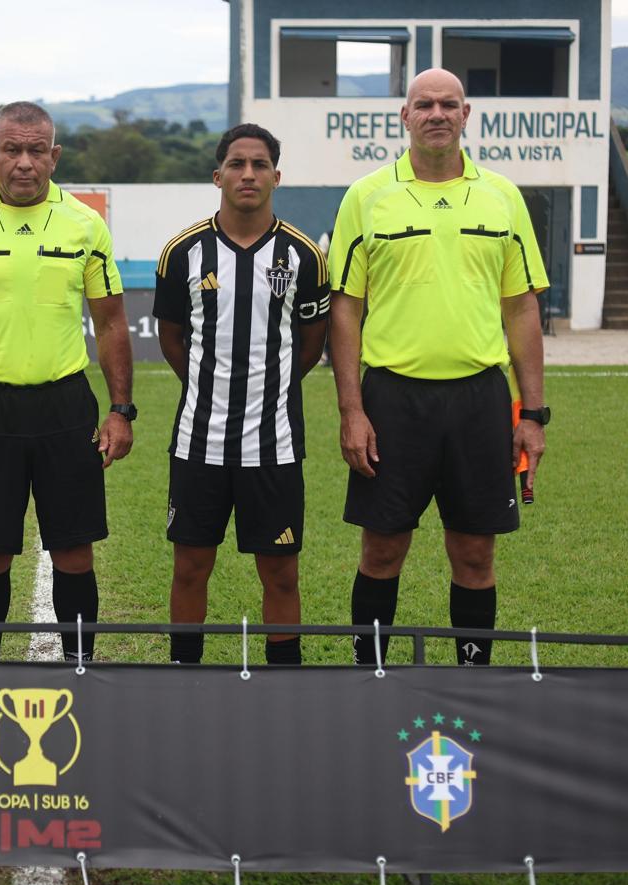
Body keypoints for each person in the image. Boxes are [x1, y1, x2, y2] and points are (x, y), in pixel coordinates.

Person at [327, 68, 549, 667]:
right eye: (423, 104)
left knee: (475, 554)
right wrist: (351, 410)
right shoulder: (367, 196)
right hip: (392, 401)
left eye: (449, 104)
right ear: (405, 116)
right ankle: (369, 674)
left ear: (466, 114)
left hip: (479, 400)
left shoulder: (502, 196)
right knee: (382, 550)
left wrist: (532, 413)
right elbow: (345, 309)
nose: (437, 114)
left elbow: (521, 307)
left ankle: (472, 683)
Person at [0, 101, 135, 664]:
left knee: (74, 553)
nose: (25, 162)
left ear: (54, 156)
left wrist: (120, 410)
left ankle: (79, 669)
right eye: (12, 149)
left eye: (37, 150)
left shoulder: (85, 224)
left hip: (66, 406)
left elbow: (111, 323)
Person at [154, 124, 329, 666]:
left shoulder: (303, 255)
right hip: (198, 442)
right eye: (237, 164)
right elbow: (172, 339)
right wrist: (209, 386)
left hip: (274, 445)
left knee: (281, 572)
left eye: (259, 164)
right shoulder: (182, 252)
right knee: (190, 568)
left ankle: (284, 680)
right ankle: (184, 673)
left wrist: (269, 388)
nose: (248, 174)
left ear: (277, 176)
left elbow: (311, 344)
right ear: (218, 176)